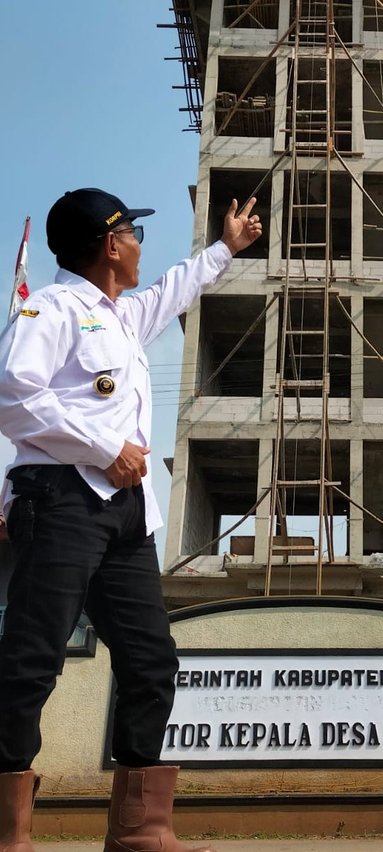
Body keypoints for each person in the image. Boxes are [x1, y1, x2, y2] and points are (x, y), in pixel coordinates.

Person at [0, 187, 262, 852]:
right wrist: (102, 448)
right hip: (60, 501)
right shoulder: (50, 308)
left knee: (151, 662)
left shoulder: (119, 318)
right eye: (134, 234)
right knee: (31, 660)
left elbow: (175, 289)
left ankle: (140, 827)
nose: (143, 244)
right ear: (110, 244)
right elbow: (11, 396)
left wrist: (225, 249)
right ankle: (8, 829)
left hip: (124, 517)